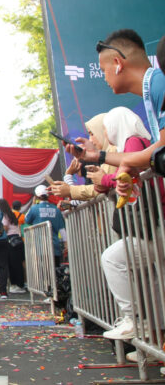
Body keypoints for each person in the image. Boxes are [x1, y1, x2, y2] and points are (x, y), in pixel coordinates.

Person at [74, 31, 165, 186]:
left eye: (104, 70)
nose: (104, 78)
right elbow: (155, 153)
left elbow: (162, 147)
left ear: (117, 63)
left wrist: (129, 162)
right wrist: (98, 156)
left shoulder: (159, 85)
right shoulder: (154, 85)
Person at [96, 107, 153, 340]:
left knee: (111, 258)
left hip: (151, 226)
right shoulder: (136, 142)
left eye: (105, 128)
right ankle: (152, 339)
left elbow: (126, 172)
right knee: (153, 285)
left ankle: (134, 321)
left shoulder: (132, 142)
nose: (105, 133)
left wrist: (104, 178)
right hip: (149, 225)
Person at [24, 185, 67, 267]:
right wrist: (66, 244)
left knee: (43, 271)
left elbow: (27, 220)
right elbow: (62, 229)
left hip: (40, 247)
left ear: (36, 197)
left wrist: (33, 204)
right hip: (54, 246)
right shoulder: (56, 209)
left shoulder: (34, 208)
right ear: (48, 195)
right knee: (56, 270)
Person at [0, 199, 26, 294]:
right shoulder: (13, 214)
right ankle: (21, 283)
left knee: (12, 264)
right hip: (18, 239)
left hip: (11, 241)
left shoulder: (6, 216)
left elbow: (5, 229)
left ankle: (15, 284)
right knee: (19, 263)